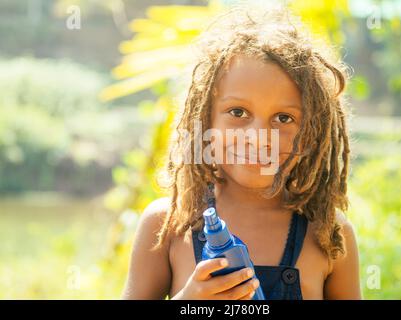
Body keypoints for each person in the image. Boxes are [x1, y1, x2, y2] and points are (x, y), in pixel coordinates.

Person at [122, 6, 361, 300]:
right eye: (238, 112)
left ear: (311, 131)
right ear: (205, 118)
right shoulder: (168, 226)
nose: (258, 138)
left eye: (283, 118)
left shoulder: (327, 234)